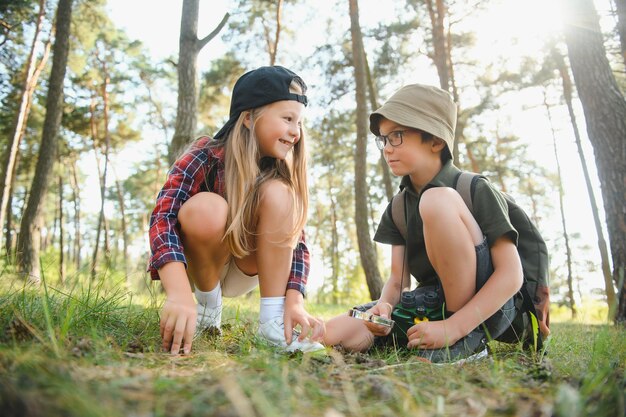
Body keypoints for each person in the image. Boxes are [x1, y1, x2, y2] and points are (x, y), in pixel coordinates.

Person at [322, 84, 523, 363]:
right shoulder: (398, 208)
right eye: (384, 140)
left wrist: (454, 327)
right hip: (427, 304)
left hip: (481, 312)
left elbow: (512, 274)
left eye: (397, 137)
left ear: (435, 141)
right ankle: (415, 336)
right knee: (331, 333)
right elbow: (397, 279)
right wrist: (384, 307)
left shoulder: (473, 189)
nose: (387, 149)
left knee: (435, 200)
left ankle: (468, 344)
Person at [148, 66, 325, 355]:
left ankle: (272, 325)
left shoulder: (279, 173)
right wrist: (179, 293)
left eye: (300, 122)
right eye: (288, 118)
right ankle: (207, 311)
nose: (296, 131)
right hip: (200, 265)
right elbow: (163, 217)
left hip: (249, 265)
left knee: (279, 193)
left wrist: (294, 301)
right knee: (208, 208)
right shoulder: (204, 155)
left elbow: (298, 242)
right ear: (248, 118)